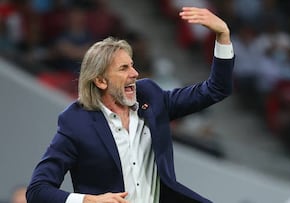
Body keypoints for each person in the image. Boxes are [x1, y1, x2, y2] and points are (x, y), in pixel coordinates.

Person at [26, 6, 234, 203]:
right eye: (124, 68)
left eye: (132, 66)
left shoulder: (151, 97)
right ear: (100, 81)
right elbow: (37, 190)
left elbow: (216, 89)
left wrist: (223, 35)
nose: (134, 74)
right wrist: (88, 200)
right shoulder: (76, 123)